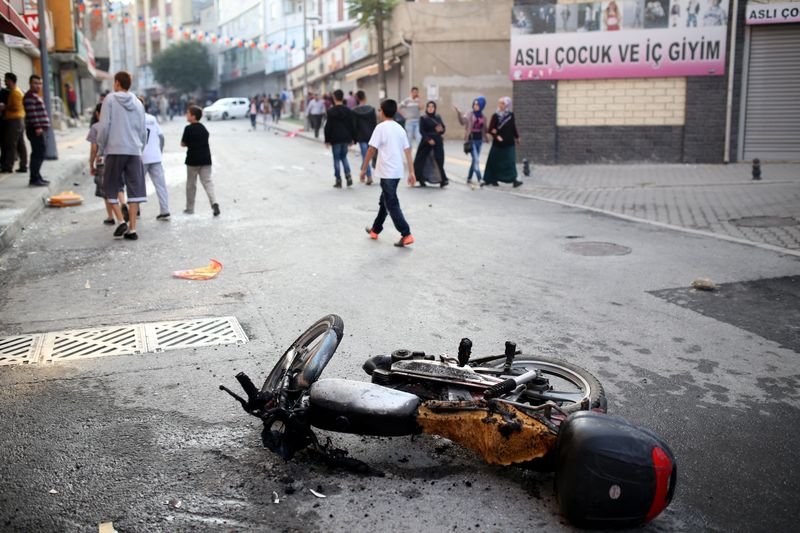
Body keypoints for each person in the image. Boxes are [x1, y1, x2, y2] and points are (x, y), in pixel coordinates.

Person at [96, 71, 147, 240]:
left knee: (110, 186)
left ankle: (120, 220)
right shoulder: (138, 103)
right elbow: (142, 129)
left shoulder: (110, 99)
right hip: (134, 150)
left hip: (115, 149)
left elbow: (104, 127)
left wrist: (101, 148)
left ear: (117, 83)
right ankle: (132, 229)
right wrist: (141, 147)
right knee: (134, 188)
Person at [360, 99, 417, 248]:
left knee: (391, 203)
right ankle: (375, 230)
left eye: (379, 110)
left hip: (387, 173)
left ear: (383, 111)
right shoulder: (400, 128)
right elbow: (408, 151)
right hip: (397, 172)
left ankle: (406, 234)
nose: (379, 113)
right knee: (384, 202)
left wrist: (363, 169)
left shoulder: (380, 128)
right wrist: (411, 171)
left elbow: (371, 149)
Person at [87, 103, 125, 224]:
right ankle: (123, 203)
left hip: (102, 162)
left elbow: (94, 149)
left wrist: (91, 164)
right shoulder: (115, 126)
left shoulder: (95, 127)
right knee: (118, 185)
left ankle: (114, 217)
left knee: (106, 191)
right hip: (117, 159)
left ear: (98, 114)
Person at [181, 105, 219, 217]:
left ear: (193, 116)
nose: (186, 115)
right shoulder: (204, 129)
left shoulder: (188, 129)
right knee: (207, 182)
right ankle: (214, 203)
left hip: (192, 161)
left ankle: (190, 208)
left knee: (191, 185)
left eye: (188, 113)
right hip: (206, 159)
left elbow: (183, 143)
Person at [138, 95, 170, 221]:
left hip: (141, 158)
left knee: (137, 185)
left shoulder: (132, 120)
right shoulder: (152, 118)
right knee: (160, 185)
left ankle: (136, 210)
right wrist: (159, 151)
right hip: (155, 157)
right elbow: (161, 137)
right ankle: (165, 210)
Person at [483, 97, 522, 188]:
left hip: (509, 143)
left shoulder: (511, 115)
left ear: (507, 105)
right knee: (495, 162)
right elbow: (490, 129)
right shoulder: (495, 116)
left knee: (510, 162)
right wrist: (497, 136)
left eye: (503, 103)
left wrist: (517, 137)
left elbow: (513, 127)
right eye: (500, 103)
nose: (500, 105)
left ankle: (513, 180)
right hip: (498, 144)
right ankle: (493, 179)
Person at [324, 89, 357, 188]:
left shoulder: (330, 111)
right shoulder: (348, 111)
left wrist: (327, 140)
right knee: (344, 157)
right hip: (346, 138)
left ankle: (338, 180)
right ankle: (348, 176)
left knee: (336, 159)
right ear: (342, 97)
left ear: (334, 98)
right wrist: (353, 138)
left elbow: (328, 126)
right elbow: (352, 125)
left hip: (335, 138)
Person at [454, 96, 488, 188]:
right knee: (476, 160)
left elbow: (485, 129)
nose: (475, 106)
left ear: (481, 106)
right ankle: (480, 179)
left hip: (479, 140)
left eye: (477, 104)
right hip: (471, 140)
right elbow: (462, 122)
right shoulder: (469, 114)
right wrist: (459, 114)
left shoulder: (483, 116)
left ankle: (469, 178)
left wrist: (488, 135)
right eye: (474, 104)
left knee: (474, 161)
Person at [22, 75, 50, 187]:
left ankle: (37, 176)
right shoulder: (29, 97)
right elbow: (32, 114)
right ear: (30, 84)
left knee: (39, 153)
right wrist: (38, 127)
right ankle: (34, 178)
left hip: (38, 129)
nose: (38, 86)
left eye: (39, 83)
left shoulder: (34, 96)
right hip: (35, 130)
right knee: (38, 153)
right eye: (35, 83)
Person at [413, 101, 448, 188]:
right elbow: (422, 131)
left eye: (432, 107)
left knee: (438, 160)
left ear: (435, 108)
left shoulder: (438, 117)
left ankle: (442, 180)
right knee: (423, 161)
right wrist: (428, 139)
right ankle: (421, 179)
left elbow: (443, 128)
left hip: (438, 142)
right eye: (429, 106)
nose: (430, 108)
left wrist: (441, 130)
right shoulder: (423, 118)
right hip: (426, 142)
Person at [2, 73, 27, 174]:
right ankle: (23, 165)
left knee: (11, 144)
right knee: (20, 144)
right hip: (18, 120)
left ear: (11, 81)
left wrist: (5, 107)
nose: (5, 82)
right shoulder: (15, 91)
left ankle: (8, 166)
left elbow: (16, 107)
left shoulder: (16, 93)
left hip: (15, 121)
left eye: (6, 80)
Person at [353, 90, 377, 186]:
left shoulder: (354, 111)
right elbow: (374, 123)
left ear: (357, 99)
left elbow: (354, 125)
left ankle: (368, 176)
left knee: (365, 156)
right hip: (371, 135)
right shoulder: (371, 109)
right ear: (365, 98)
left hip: (361, 136)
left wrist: (354, 138)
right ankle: (366, 173)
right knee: (367, 156)